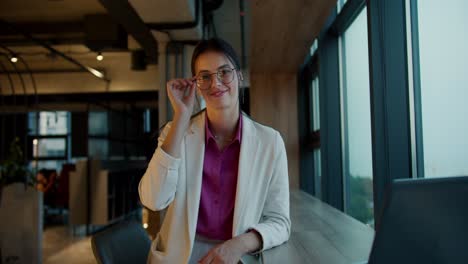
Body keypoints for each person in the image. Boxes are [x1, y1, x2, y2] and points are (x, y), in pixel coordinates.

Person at [139, 38, 290, 264]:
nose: (216, 83)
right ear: (196, 84)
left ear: (239, 76)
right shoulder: (176, 132)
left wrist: (238, 245)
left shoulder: (270, 142)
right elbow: (153, 200)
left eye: (224, 72)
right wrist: (181, 116)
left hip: (235, 256)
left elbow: (280, 222)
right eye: (205, 76)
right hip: (180, 257)